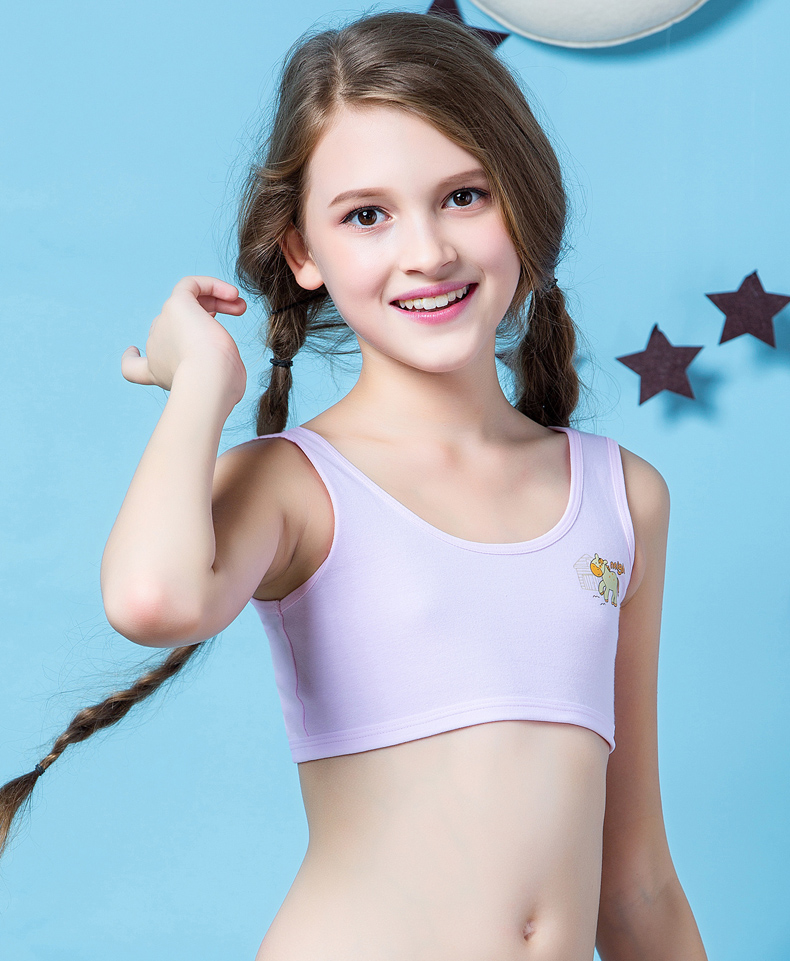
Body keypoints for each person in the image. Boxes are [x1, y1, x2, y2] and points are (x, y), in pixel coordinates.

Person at [0, 9, 709, 960]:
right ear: (302, 251)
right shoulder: (294, 486)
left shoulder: (622, 498)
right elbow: (153, 601)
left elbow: (638, 881)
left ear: (524, 205)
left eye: (464, 195)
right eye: (366, 215)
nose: (428, 251)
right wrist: (203, 384)